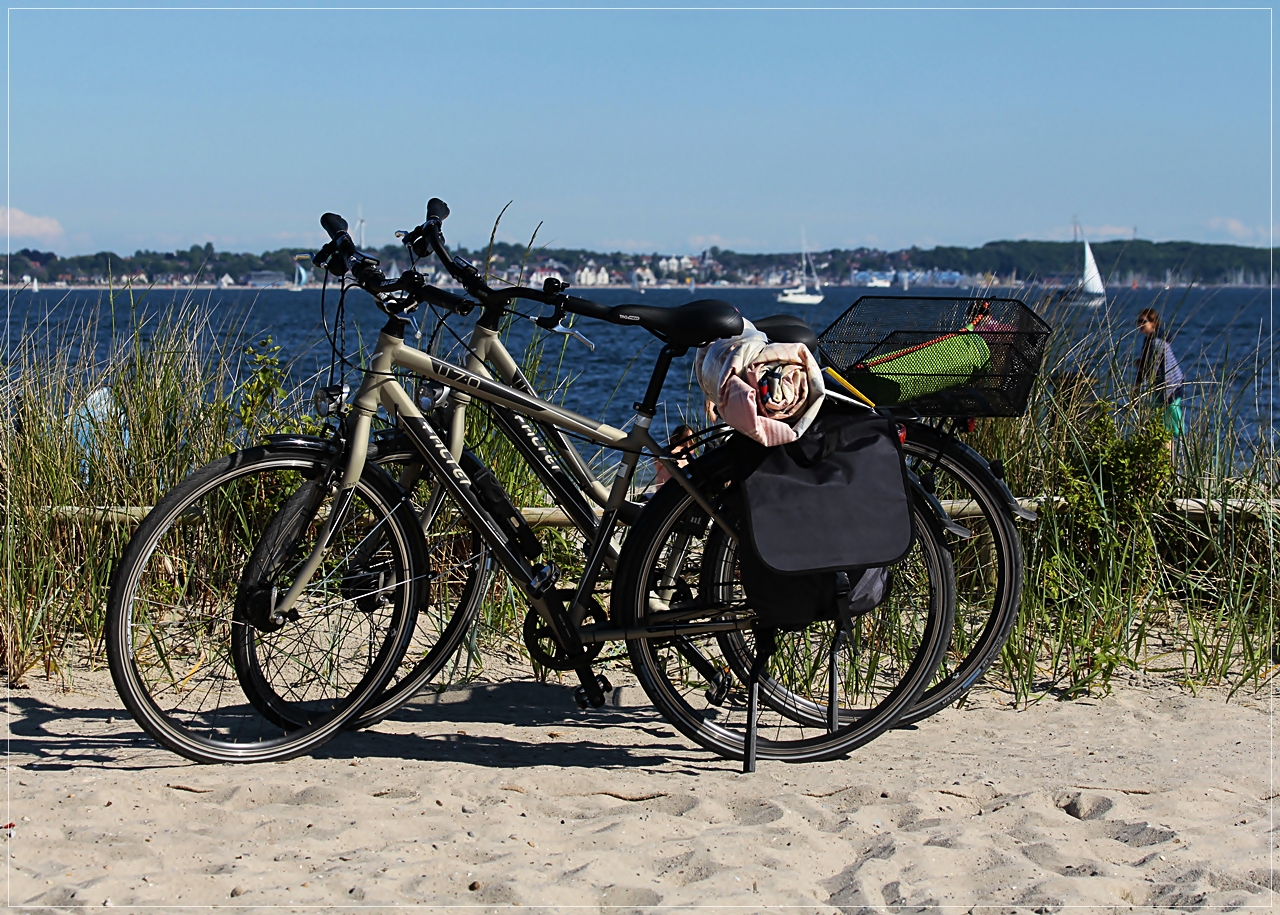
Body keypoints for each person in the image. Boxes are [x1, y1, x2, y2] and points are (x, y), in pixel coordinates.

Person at [1133, 307, 1184, 457]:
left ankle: (1168, 461)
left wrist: (1139, 365)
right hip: (1163, 387)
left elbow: (1151, 368)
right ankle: (1166, 460)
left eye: (1144, 321)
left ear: (1153, 323)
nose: (1140, 324)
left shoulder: (1156, 342)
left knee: (1168, 426)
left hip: (1169, 388)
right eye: (1138, 321)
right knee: (1164, 426)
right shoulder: (1150, 340)